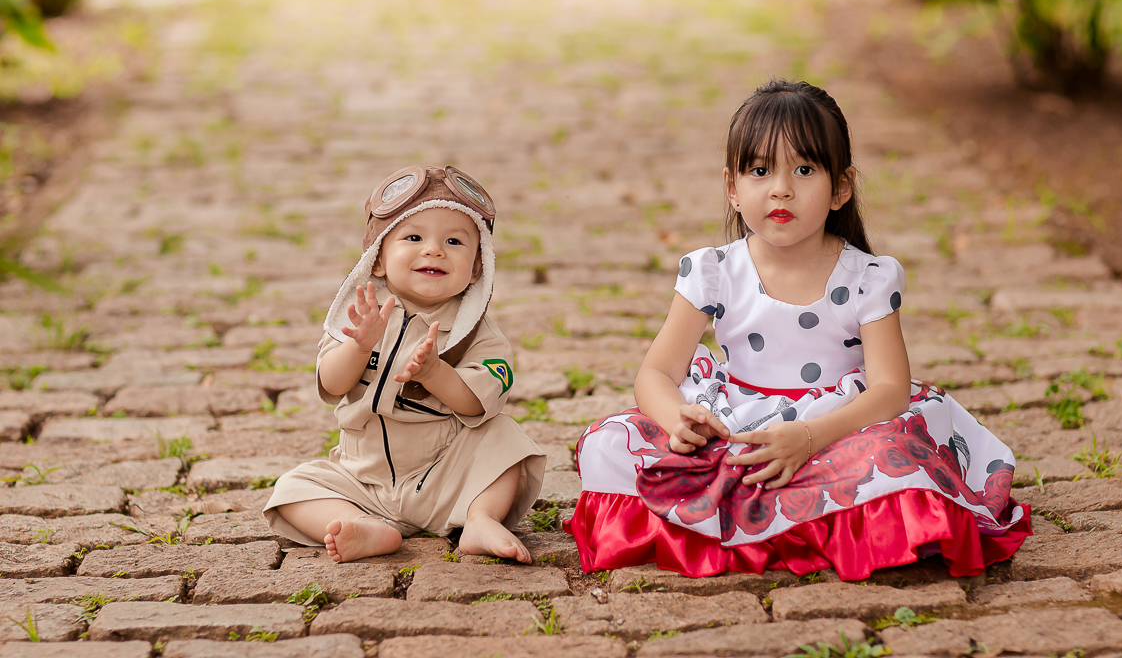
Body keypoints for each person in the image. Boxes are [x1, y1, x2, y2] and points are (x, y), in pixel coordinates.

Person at [564, 79, 1029, 579]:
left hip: (838, 427)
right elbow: (655, 373)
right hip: (734, 420)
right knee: (608, 443)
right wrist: (679, 421)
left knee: (893, 457)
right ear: (732, 188)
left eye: (804, 170)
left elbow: (891, 390)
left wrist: (808, 437)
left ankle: (804, 515)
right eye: (760, 171)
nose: (780, 188)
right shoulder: (713, 270)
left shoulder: (868, 278)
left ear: (840, 188)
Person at [264, 166, 546, 564]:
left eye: (453, 241)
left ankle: (480, 518)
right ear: (378, 259)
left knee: (506, 439)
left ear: (476, 269)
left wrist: (435, 373)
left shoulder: (478, 334)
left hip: (444, 476)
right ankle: (364, 526)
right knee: (293, 488)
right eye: (414, 237)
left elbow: (478, 402)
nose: (434, 250)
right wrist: (358, 346)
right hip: (362, 477)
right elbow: (331, 383)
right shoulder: (360, 315)